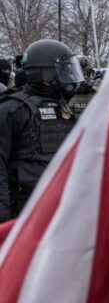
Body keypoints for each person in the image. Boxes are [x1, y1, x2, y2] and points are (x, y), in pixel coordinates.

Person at [0, 39, 82, 221]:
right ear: (45, 73)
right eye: (63, 69)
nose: (68, 76)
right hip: (22, 209)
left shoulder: (63, 109)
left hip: (57, 207)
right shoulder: (13, 109)